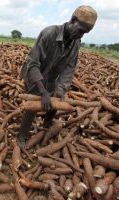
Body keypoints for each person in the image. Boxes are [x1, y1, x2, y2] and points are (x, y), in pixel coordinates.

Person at [17, 5, 97, 149]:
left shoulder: (76, 43)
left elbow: (70, 68)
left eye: (85, 33)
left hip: (51, 78)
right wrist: (42, 93)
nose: (81, 35)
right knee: (32, 108)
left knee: (56, 101)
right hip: (34, 76)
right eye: (80, 30)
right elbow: (33, 63)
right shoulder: (49, 33)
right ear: (73, 20)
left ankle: (47, 125)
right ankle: (22, 136)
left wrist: (61, 89)